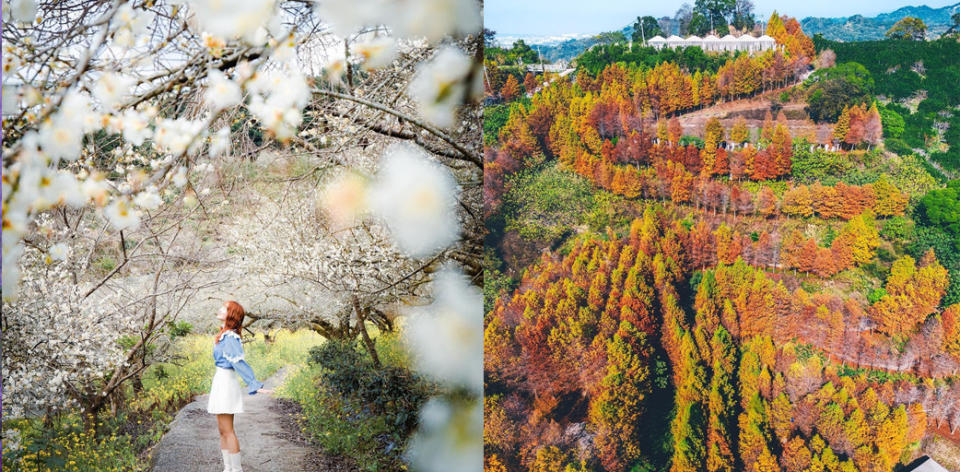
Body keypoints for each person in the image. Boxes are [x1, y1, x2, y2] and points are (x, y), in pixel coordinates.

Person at [207, 300, 272, 472]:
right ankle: (227, 468)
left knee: (228, 430)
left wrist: (253, 383)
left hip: (226, 383)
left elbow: (238, 363)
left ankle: (236, 470)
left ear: (231, 314)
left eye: (225, 308)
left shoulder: (230, 337)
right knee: (222, 430)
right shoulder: (224, 334)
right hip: (220, 380)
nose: (220, 309)